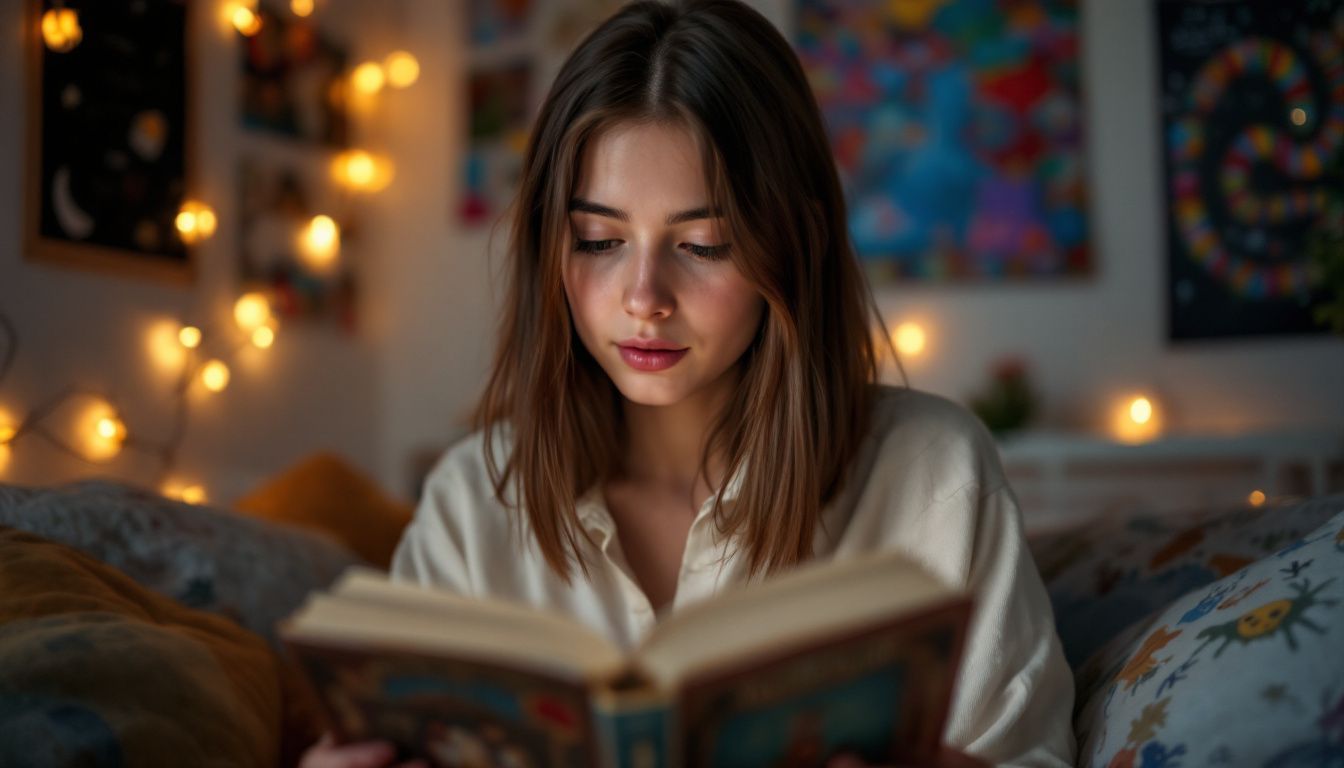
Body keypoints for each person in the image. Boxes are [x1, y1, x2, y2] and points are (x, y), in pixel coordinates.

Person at [301, 1, 1076, 766]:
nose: (644, 297)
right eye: (598, 240)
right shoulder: (473, 501)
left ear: (795, 243)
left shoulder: (935, 476)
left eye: (704, 245)